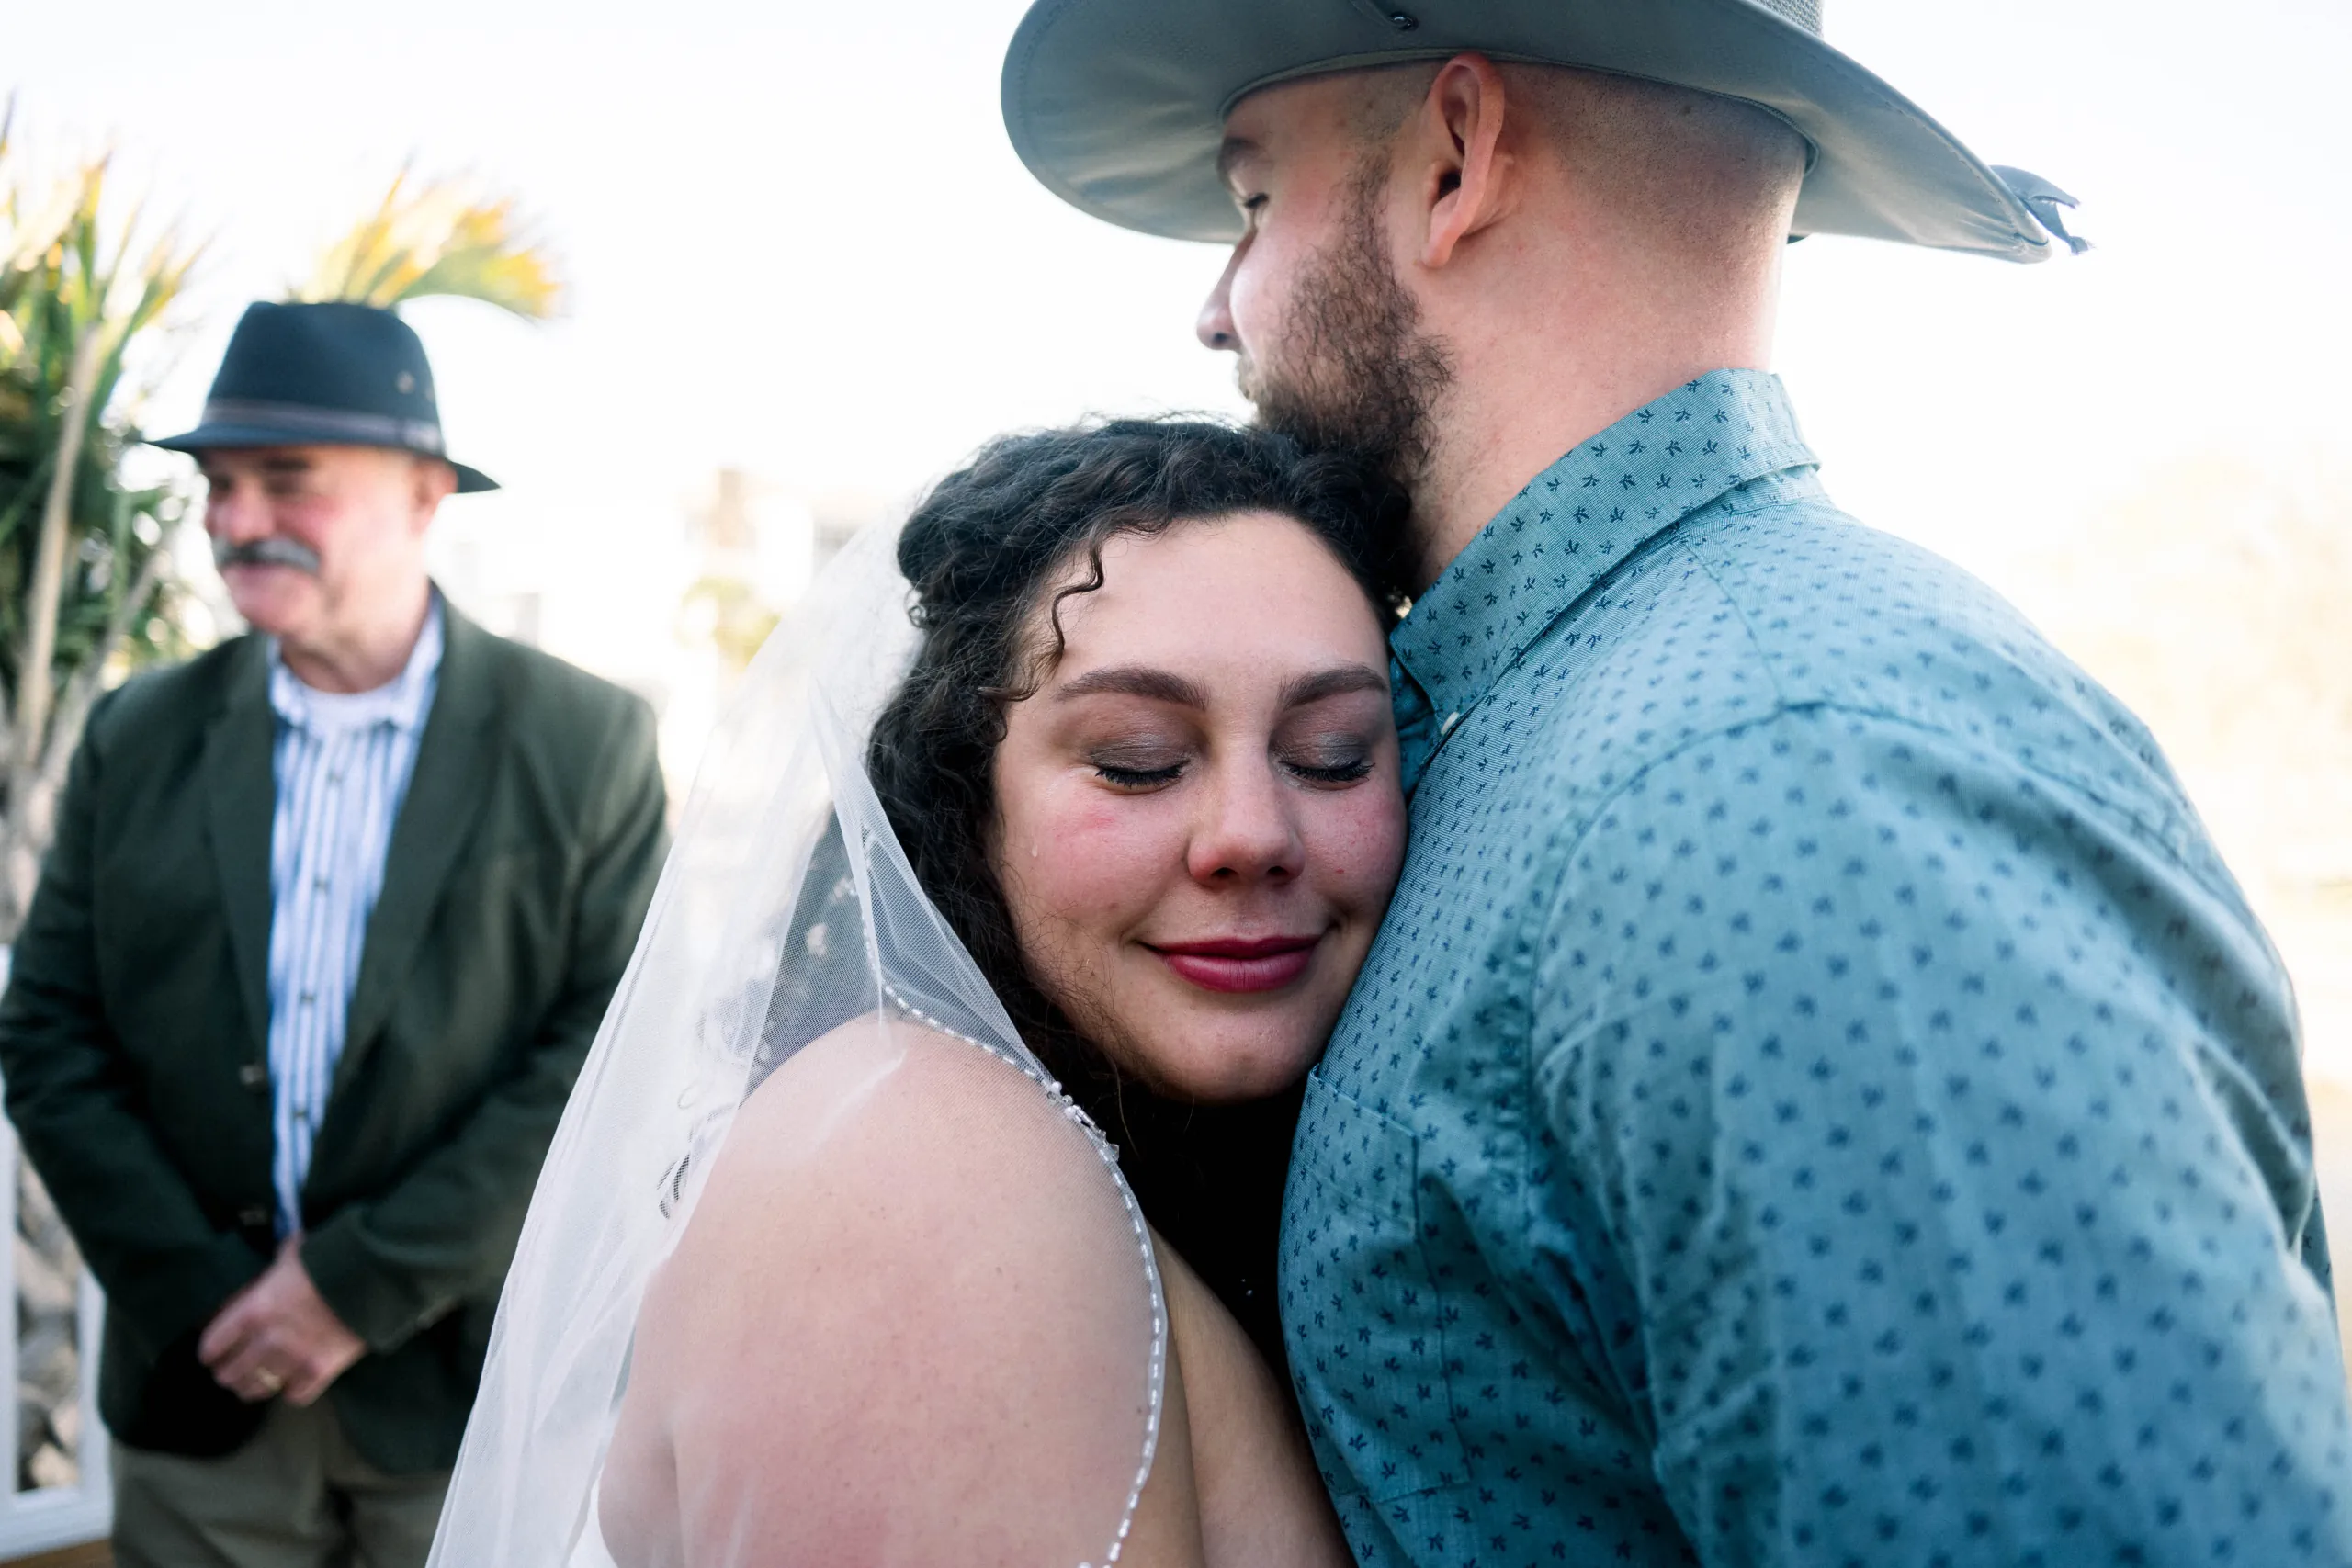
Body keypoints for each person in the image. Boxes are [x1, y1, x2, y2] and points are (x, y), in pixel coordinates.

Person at [998, 3, 2352, 1565]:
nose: (1216, 310)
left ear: (1456, 159)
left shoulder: (1782, 798)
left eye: (1252, 202)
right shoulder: (1565, 726)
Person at [433, 421, 1411, 1566]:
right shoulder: (923, 1178)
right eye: (1137, 758)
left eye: (1333, 753)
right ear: (967, 803)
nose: (1252, 835)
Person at [0, 299, 669, 1568]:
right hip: (199, 1396)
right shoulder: (135, 735)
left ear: (424, 495)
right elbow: (47, 1030)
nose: (233, 518)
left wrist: (353, 1288)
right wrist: (212, 1296)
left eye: (286, 480)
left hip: (457, 1400)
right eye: (218, 484)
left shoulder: (587, 742)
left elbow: (607, 1053)